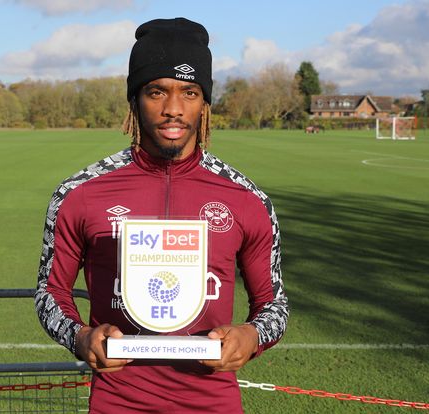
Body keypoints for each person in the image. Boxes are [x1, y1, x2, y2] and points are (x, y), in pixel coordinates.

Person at [35, 17, 289, 413]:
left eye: (189, 92)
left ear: (205, 102)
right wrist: (79, 337)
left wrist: (252, 336)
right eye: (157, 92)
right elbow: (50, 293)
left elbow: (274, 306)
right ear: (134, 99)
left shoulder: (246, 198)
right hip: (117, 403)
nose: (173, 109)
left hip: (213, 402)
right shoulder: (79, 193)